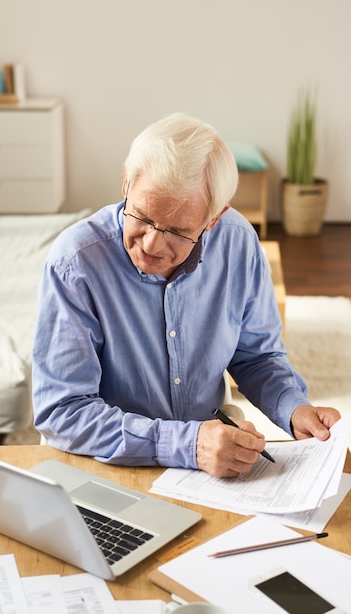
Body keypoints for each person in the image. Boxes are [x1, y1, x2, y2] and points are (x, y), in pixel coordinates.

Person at [32, 113, 340, 478]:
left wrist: (293, 408)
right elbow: (63, 411)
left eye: (177, 231)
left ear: (214, 218)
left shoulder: (238, 242)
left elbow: (257, 356)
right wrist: (189, 444)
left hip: (210, 464)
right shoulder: (76, 262)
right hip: (105, 460)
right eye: (142, 217)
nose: (150, 243)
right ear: (126, 183)